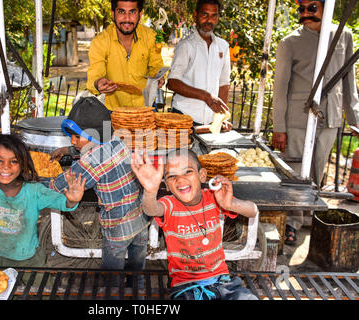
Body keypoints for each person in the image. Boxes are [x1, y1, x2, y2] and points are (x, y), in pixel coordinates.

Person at [271, 0, 359, 245]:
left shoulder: (343, 35)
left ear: (325, 8)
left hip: (330, 116)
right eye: (301, 10)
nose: (305, 14)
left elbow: (348, 81)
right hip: (298, 118)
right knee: (298, 173)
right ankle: (293, 222)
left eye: (312, 8)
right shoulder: (290, 42)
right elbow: (279, 89)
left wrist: (355, 119)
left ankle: (309, 217)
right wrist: (279, 127)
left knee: (317, 171)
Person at [131, 149, 259, 300]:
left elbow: (252, 210)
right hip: (186, 287)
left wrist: (231, 203)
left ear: (202, 175)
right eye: (172, 176)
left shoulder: (214, 198)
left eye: (187, 172)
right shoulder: (169, 205)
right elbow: (150, 209)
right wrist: (150, 191)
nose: (180, 180)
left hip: (223, 283)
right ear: (165, 185)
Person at [49, 97, 152, 287]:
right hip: (140, 219)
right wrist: (69, 149)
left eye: (76, 137)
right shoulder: (117, 140)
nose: (72, 141)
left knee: (112, 272)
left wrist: (46, 183)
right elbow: (95, 147)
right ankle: (138, 290)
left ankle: (112, 293)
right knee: (138, 268)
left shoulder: (91, 162)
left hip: (117, 227)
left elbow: (62, 184)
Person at [0, 134, 86, 267]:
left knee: (37, 287)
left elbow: (63, 203)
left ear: (22, 163)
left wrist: (72, 200)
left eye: (14, 161)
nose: (6, 167)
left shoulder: (34, 191)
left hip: (30, 257)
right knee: (0, 287)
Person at [86, 0, 165, 110]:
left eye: (132, 12)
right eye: (121, 12)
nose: (127, 19)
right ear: (113, 14)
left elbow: (156, 66)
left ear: (140, 15)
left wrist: (159, 77)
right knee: (106, 127)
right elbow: (94, 75)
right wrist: (98, 83)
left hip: (146, 108)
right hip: (112, 112)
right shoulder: (100, 42)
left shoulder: (150, 37)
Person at [167, 0, 232, 129]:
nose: (209, 20)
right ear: (195, 15)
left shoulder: (223, 46)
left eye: (214, 16)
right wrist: (205, 96)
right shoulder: (186, 46)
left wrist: (222, 115)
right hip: (183, 117)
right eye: (205, 14)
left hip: (210, 121)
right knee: (182, 150)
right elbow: (172, 82)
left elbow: (224, 84)